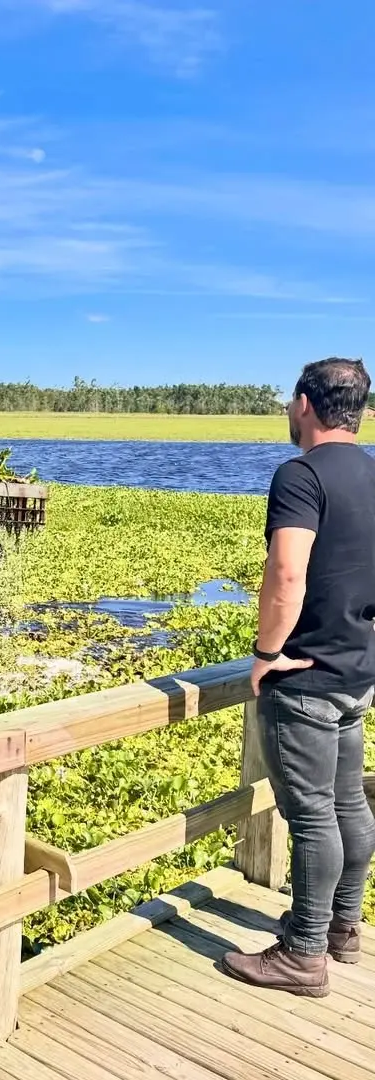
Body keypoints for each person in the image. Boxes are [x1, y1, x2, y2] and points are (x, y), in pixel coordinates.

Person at [222, 357, 375, 998]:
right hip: (358, 672)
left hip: (307, 676)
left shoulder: (299, 475)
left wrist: (265, 652)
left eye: (290, 403)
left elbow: (287, 573)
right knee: (348, 805)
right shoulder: (372, 473)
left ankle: (302, 955)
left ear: (305, 404)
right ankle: (343, 928)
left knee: (313, 817)